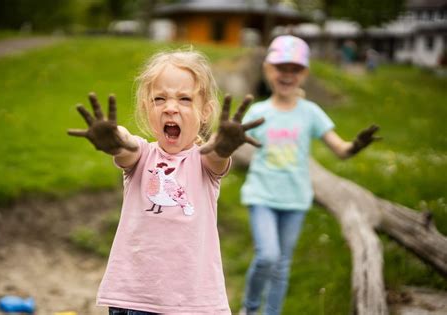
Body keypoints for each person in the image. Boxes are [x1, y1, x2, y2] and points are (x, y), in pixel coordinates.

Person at [67, 49, 264, 315]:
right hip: (134, 300)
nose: (170, 107)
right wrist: (113, 138)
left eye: (184, 99)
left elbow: (217, 155)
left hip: (194, 304)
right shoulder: (142, 156)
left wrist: (225, 145)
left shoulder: (204, 161)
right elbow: (125, 146)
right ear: (147, 108)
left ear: (205, 111)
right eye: (160, 99)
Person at [239, 35, 380, 315]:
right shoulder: (258, 111)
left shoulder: (310, 112)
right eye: (281, 68)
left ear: (304, 73)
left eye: (295, 69)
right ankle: (250, 307)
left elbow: (339, 149)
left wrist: (355, 146)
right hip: (262, 196)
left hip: (295, 199)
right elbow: (231, 145)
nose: (287, 75)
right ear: (268, 69)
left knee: (281, 265)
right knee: (267, 256)